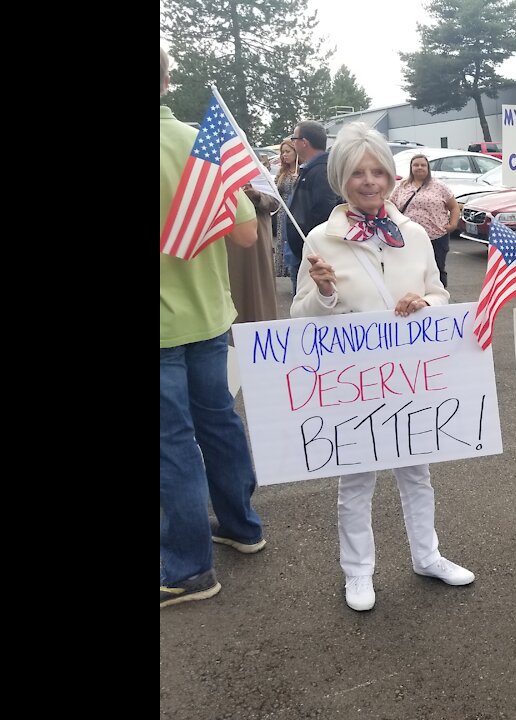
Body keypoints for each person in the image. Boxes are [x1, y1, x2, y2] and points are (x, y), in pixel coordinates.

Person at [291, 122, 474, 612]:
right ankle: (358, 572)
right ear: (340, 178)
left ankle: (427, 555)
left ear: (391, 177)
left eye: (378, 171)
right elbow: (298, 317)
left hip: (409, 377)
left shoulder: (413, 234)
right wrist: (325, 295)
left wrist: (426, 306)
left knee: (417, 473)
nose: (369, 181)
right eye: (357, 173)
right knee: (356, 481)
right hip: (354, 383)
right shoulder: (321, 238)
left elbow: (440, 293)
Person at [160, 48, 265, 608]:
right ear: (169, 79)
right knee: (218, 421)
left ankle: (187, 569)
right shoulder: (206, 146)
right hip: (208, 314)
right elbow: (246, 236)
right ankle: (242, 525)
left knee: (171, 442)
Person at [284, 120, 342, 295]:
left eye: (294, 138)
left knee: (308, 307)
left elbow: (324, 214)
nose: (293, 143)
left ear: (304, 142)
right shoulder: (310, 169)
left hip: (311, 256)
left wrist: (307, 247)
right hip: (302, 253)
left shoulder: (321, 171)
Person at [388, 154, 460, 288]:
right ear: (411, 168)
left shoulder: (439, 186)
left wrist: (453, 224)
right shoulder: (401, 186)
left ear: (428, 168)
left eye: (423, 165)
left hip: (436, 237)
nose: (419, 167)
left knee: (437, 269)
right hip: (409, 238)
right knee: (411, 269)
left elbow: (454, 207)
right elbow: (390, 207)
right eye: (416, 165)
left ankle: (439, 299)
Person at [227, 186, 280, 323]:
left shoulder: (259, 173)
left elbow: (274, 202)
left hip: (258, 242)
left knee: (259, 289)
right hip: (230, 237)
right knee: (235, 286)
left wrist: (257, 196)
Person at [273, 138, 299, 280]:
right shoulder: (281, 172)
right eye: (282, 152)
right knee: (282, 238)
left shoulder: (302, 170)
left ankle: (292, 269)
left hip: (295, 210)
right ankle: (283, 269)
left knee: (291, 239)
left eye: (288, 151)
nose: (284, 155)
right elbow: (275, 189)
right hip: (282, 210)